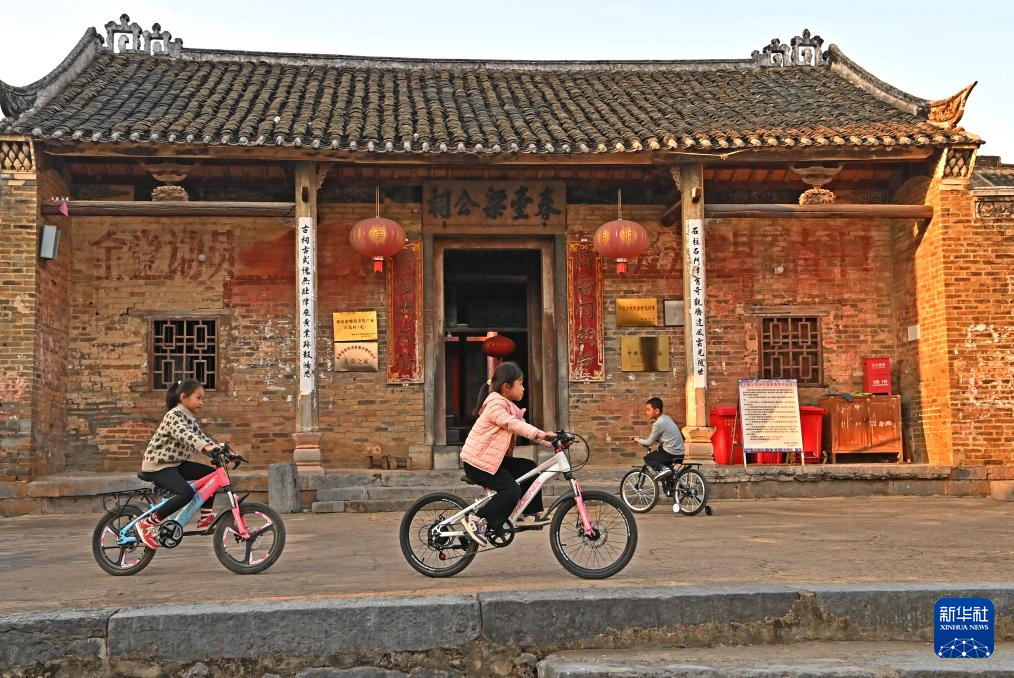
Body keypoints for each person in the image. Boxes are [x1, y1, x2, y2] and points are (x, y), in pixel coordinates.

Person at [459, 361, 555, 546]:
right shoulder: (495, 405)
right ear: (506, 386)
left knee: (529, 468)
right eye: (520, 383)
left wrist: (552, 440)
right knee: (511, 490)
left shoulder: (509, 407)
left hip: (493, 461)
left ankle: (529, 514)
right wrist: (540, 434)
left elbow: (524, 427)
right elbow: (513, 425)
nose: (523, 388)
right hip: (477, 463)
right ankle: (476, 520)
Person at [134, 378, 221, 549]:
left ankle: (205, 518)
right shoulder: (173, 415)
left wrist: (222, 450)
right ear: (183, 397)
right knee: (186, 493)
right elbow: (185, 435)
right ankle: (147, 523)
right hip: (157, 466)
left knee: (212, 474)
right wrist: (205, 447)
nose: (202, 402)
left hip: (174, 464)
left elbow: (201, 437)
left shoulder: (189, 418)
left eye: (203, 399)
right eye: (198, 398)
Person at [631, 396, 685, 469]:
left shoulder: (658, 423)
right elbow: (666, 436)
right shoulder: (666, 418)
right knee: (660, 449)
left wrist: (637, 440)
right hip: (680, 453)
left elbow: (648, 443)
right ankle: (667, 473)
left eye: (648, 410)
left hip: (671, 454)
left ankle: (665, 470)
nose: (647, 412)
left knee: (648, 458)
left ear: (656, 411)